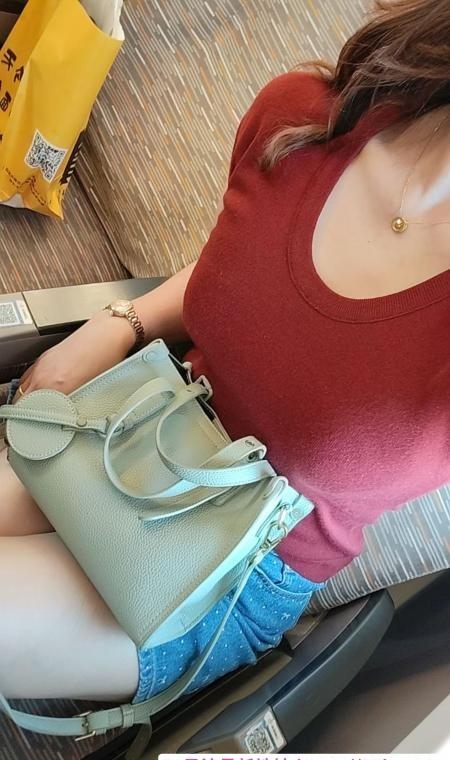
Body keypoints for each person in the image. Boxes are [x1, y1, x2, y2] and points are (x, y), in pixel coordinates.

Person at [0, 0, 449, 707]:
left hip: (234, 571)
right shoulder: (302, 122)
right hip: (140, 432)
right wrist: (119, 323)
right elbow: (247, 278)